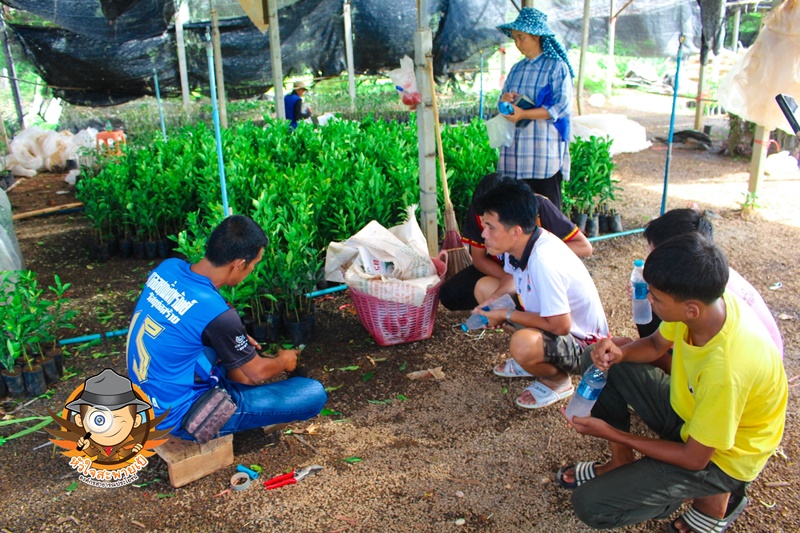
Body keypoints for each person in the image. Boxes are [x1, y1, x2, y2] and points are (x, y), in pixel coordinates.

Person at [559, 233, 787, 532]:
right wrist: (620, 353)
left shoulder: (728, 370)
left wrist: (613, 433)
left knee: (590, 505)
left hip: (722, 456)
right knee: (595, 358)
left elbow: (694, 459)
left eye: (655, 297)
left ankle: (689, 496)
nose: (648, 300)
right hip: (692, 412)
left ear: (691, 309)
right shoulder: (710, 304)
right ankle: (623, 464)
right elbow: (655, 345)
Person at [126, 215, 327, 440]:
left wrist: (233, 338)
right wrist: (284, 360)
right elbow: (257, 372)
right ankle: (234, 404)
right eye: (253, 264)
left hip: (148, 394)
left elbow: (187, 322)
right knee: (312, 393)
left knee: (231, 355)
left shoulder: (168, 268)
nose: (252, 269)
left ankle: (234, 387)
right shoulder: (217, 314)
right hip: (178, 416)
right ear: (239, 264)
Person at [472, 177, 608, 409]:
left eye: (490, 227)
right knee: (486, 290)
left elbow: (560, 326)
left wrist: (505, 314)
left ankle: (557, 381)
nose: (484, 234)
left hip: (585, 347)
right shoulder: (521, 244)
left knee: (522, 344)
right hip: (553, 325)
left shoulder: (544, 260)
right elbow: (512, 279)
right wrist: (493, 303)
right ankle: (533, 361)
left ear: (515, 231)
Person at [637, 209, 783, 373]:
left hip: (747, 369)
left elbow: (659, 347)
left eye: (654, 253)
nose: (650, 260)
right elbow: (656, 343)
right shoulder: (709, 275)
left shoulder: (698, 296)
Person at [440, 172, 592, 311]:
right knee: (451, 294)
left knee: (528, 305)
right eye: (482, 219)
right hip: (505, 269)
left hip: (536, 271)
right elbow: (479, 259)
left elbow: (584, 247)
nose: (483, 230)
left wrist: (535, 261)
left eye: (490, 225)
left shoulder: (538, 208)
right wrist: (509, 277)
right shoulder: (479, 210)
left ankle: (520, 311)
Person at [496, 8, 575, 210]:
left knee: (548, 214)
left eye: (521, 37)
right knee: (517, 214)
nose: (517, 43)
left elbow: (562, 106)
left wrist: (524, 114)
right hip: (515, 155)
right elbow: (501, 102)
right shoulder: (517, 69)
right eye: (515, 38)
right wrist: (504, 101)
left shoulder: (556, 67)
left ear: (536, 36)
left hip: (542, 155)